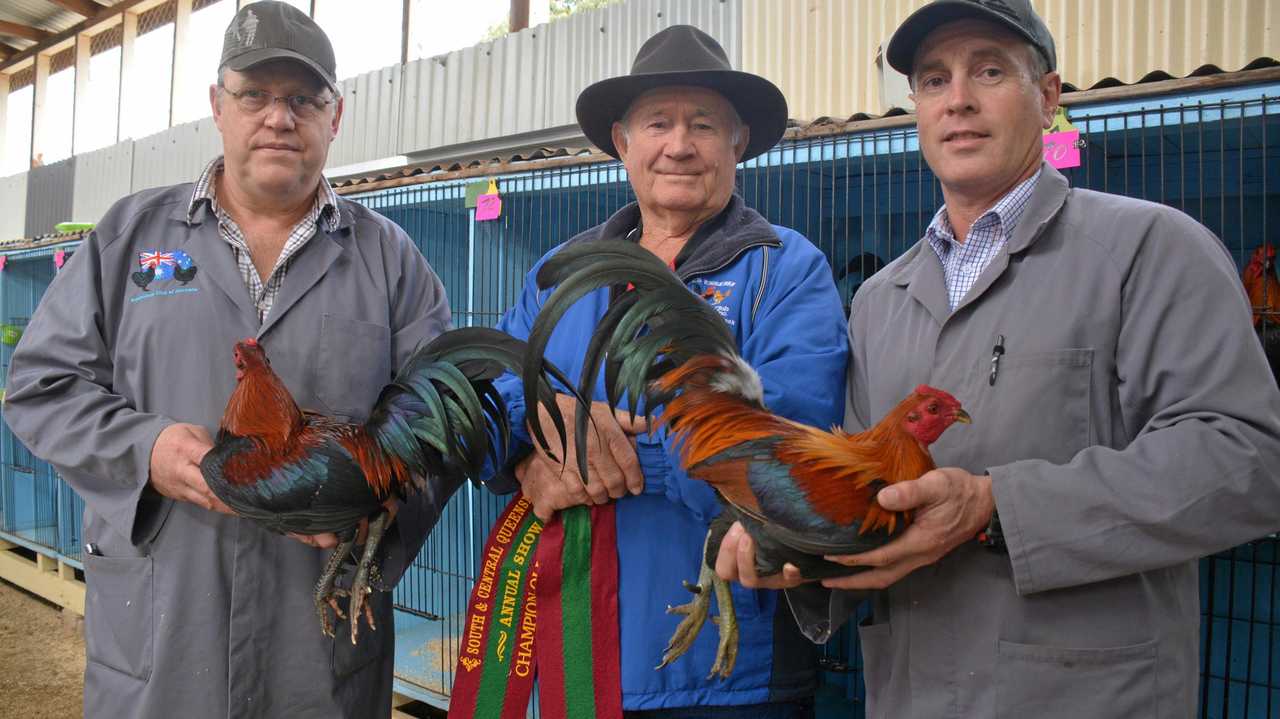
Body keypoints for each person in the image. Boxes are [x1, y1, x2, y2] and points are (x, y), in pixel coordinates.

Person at [716, 1, 1280, 717]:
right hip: (911, 697)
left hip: (1088, 697)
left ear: (1047, 98)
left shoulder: (1150, 250)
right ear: (916, 108)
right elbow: (862, 504)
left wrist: (996, 504)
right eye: (932, 79)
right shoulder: (879, 299)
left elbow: (1248, 461)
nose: (958, 100)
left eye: (989, 71)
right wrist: (791, 548)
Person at [3, 3, 452, 717]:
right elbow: (39, 386)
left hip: (318, 650)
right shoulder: (132, 236)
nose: (279, 117)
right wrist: (146, 450)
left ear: (335, 117)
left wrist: (374, 523)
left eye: (303, 98)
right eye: (255, 95)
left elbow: (439, 428)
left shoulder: (390, 259)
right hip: (162, 639)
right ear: (218, 106)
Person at [483, 25, 847, 716]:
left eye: (702, 124)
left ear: (736, 142)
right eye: (658, 122)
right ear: (623, 142)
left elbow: (786, 453)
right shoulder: (561, 271)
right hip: (575, 657)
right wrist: (536, 434)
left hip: (730, 678)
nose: (678, 144)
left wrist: (597, 448)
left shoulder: (787, 269)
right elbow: (492, 386)